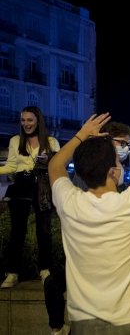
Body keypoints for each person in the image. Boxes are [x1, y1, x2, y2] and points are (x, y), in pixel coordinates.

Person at [48, 100, 130, 333]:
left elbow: (55, 165)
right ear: (112, 171)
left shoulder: (69, 203)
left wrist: (82, 135)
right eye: (118, 162)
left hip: (83, 324)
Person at [1, 106, 60, 289]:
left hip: (41, 186)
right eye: (23, 120)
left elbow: (56, 167)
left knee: (44, 230)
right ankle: (12, 273)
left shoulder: (51, 142)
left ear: (38, 121)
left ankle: (45, 270)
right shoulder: (15, 141)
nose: (26, 124)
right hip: (20, 185)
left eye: (30, 120)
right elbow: (11, 166)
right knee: (17, 231)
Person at [71, 121, 130, 191]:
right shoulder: (90, 165)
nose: (126, 148)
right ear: (106, 140)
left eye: (127, 145)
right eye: (122, 143)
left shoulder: (117, 166)